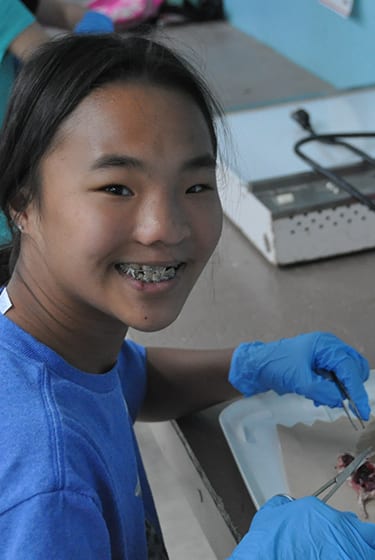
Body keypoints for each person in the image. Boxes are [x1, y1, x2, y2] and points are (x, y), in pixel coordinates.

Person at [0, 32, 373, 559]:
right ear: (22, 201)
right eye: (117, 188)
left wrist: (253, 364)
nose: (164, 227)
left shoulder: (48, 339)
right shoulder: (48, 486)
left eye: (196, 186)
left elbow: (125, 381)